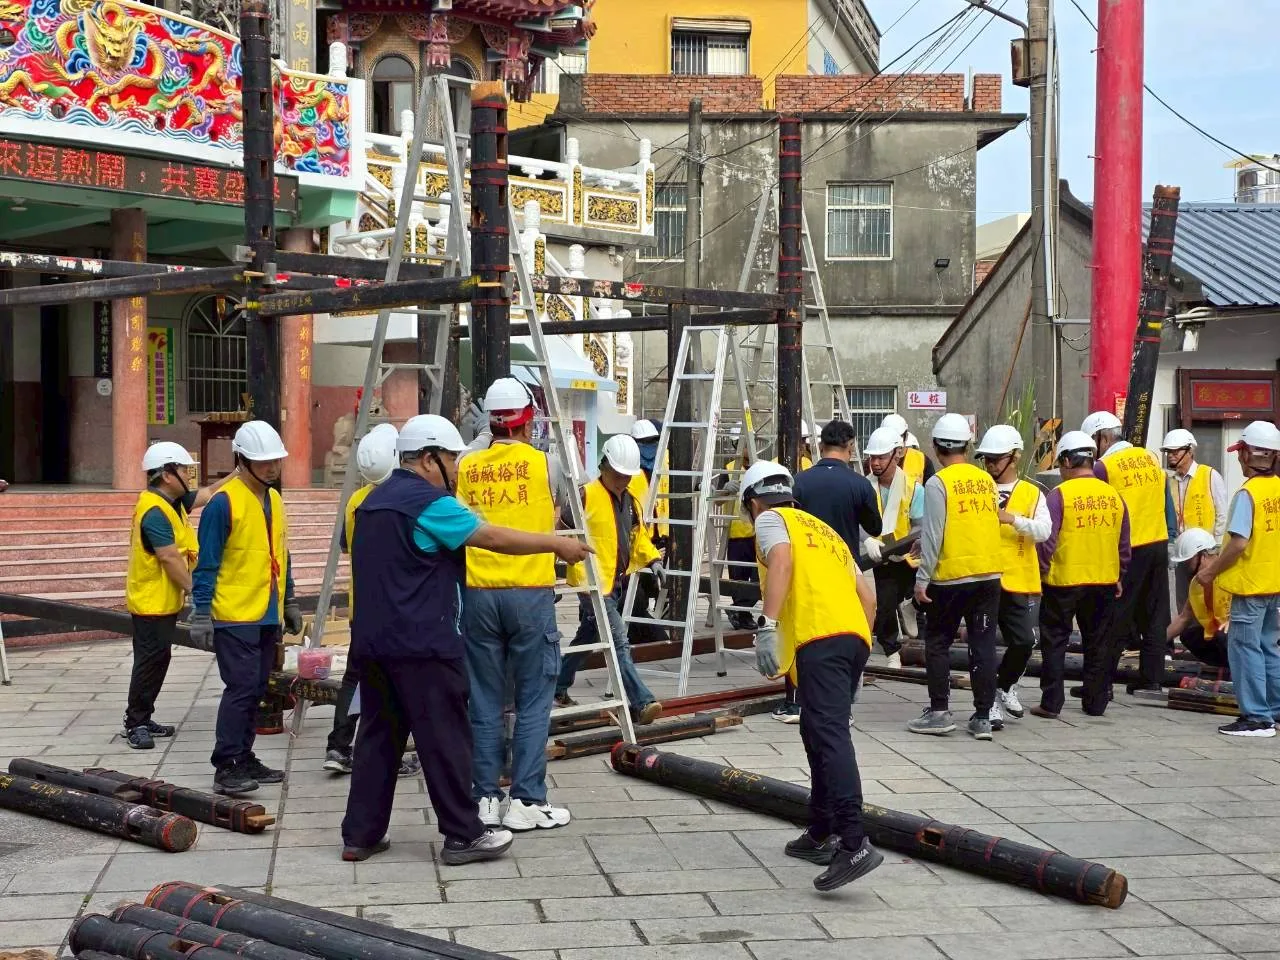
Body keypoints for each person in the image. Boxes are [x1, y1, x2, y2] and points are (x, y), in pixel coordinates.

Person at [340, 415, 594, 863]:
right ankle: (463, 834)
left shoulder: (372, 502)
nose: (457, 468)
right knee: (446, 740)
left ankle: (360, 836)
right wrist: (556, 545)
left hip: (373, 644)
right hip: (423, 644)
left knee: (377, 739)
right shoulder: (429, 503)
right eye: (451, 458)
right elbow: (490, 537)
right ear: (427, 459)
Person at [741, 460, 883, 892]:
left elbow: (781, 561)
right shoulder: (826, 532)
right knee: (816, 729)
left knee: (830, 734)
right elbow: (868, 598)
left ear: (753, 502)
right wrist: (859, 652)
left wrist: (766, 625)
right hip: (852, 636)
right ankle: (821, 830)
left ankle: (853, 841)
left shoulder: (771, 520)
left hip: (821, 638)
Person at [456, 377, 572, 832]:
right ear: (529, 420)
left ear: (490, 421)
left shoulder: (466, 465)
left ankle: (484, 797)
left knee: (484, 701)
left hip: (479, 594)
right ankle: (527, 799)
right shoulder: (547, 464)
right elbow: (566, 506)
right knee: (533, 700)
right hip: (530, 592)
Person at [189, 421, 301, 796]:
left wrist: (289, 600)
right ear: (241, 460)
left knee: (257, 688)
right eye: (263, 461)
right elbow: (206, 564)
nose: (272, 468)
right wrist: (201, 612)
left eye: (276, 461)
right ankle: (226, 766)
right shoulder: (223, 503)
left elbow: (281, 553)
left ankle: (244, 755)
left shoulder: (274, 500)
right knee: (240, 688)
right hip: (233, 613)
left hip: (267, 611)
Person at [123, 442, 233, 750]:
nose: (188, 474)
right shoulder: (155, 512)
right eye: (184, 470)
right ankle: (135, 723)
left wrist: (239, 473)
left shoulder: (173, 502)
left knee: (159, 658)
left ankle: (144, 717)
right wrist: (197, 594)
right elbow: (169, 558)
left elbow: (208, 493)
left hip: (163, 601)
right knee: (149, 661)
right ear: (167, 474)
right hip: (150, 603)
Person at [324, 424, 418, 779]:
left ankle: (338, 745)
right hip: (397, 607)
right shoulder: (404, 499)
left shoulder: (355, 501)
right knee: (395, 681)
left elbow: (346, 546)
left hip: (361, 606)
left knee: (355, 676)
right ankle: (386, 754)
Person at [555, 435, 665, 724]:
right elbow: (561, 532)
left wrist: (653, 559)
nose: (622, 481)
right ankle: (642, 701)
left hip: (614, 581)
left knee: (589, 635)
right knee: (618, 640)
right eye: (617, 475)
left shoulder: (630, 502)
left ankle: (557, 684)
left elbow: (637, 537)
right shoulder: (585, 496)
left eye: (627, 476)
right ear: (604, 466)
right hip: (591, 584)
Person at [908, 414, 1003, 740]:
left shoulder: (938, 483)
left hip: (950, 578)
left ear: (936, 447)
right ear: (968, 446)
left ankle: (939, 712)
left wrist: (922, 580)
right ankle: (983, 717)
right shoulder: (986, 481)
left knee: (937, 642)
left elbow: (934, 534)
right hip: (988, 575)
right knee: (983, 645)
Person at [1191, 420, 1280, 737]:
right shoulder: (1277, 488)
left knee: (1245, 650)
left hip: (1249, 586)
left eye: (1240, 452)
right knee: (1269, 648)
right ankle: (1275, 711)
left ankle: (1256, 718)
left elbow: (1239, 543)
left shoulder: (1248, 494)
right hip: (1273, 584)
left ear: (1248, 455)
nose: (1239, 458)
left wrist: (1210, 571)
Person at [1032, 432, 1130, 719]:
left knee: (1055, 641)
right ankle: (1096, 702)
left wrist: (1041, 571)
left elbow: (1047, 541)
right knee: (1098, 642)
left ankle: (1051, 703)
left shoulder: (1059, 495)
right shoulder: (1114, 496)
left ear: (1066, 461)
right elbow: (1124, 543)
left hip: (1064, 580)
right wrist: (1120, 575)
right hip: (1104, 580)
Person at [793, 419, 882, 722]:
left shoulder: (800, 481)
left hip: (808, 569)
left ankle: (802, 701)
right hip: (846, 570)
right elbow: (874, 526)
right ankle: (844, 700)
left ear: (820, 446)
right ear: (850, 446)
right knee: (845, 632)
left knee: (809, 632)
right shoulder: (859, 484)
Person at [1083, 410, 1176, 695]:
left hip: (1129, 548)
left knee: (1115, 616)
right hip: (1158, 543)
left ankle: (1101, 684)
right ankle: (1152, 679)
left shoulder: (1104, 467)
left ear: (1101, 438)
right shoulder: (1150, 458)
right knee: (1155, 615)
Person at [973, 425, 1050, 729]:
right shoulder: (978, 488)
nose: (990, 465)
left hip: (1018, 578)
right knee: (983, 644)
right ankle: (988, 702)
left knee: (1024, 641)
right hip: (983, 576)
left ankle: (1005, 685)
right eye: (986, 460)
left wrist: (1013, 519)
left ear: (1015, 457)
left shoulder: (1032, 493)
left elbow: (1044, 531)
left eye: (996, 459)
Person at [862, 426, 924, 671]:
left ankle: (912, 610)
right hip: (881, 556)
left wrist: (909, 542)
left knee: (923, 596)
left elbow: (920, 524)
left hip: (909, 555)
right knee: (886, 604)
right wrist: (868, 540)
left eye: (881, 457)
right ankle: (892, 651)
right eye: (872, 458)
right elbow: (857, 522)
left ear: (896, 454)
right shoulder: (864, 487)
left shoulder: (913, 488)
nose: (875, 463)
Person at [1162, 428, 1228, 612]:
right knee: (1183, 603)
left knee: (1207, 602)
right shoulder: (1168, 480)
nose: (1171, 455)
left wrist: (1216, 549)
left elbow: (1222, 514)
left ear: (1190, 451)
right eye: (1168, 452)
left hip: (1205, 553)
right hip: (1181, 552)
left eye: (1176, 451)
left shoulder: (1210, 475)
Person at [626, 419, 667, 644]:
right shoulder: (629, 474)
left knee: (652, 588)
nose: (649, 448)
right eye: (644, 443)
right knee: (636, 592)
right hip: (636, 541)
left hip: (659, 538)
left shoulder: (663, 467)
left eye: (652, 442)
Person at [1166, 528, 1230, 670]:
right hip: (1221, 632)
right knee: (1189, 636)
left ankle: (1242, 670)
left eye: (1188, 562)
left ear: (1204, 555)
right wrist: (1156, 644)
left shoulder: (1229, 572)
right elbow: (1184, 618)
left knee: (1222, 634)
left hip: (1239, 631)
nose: (1186, 569)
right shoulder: (1198, 584)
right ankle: (1226, 666)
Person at [721, 434, 761, 632]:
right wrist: (725, 490)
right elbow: (717, 500)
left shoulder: (759, 469)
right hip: (736, 534)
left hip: (757, 534)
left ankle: (739, 610)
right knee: (738, 580)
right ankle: (742, 615)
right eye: (744, 445)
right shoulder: (728, 469)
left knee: (760, 577)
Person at [880, 413, 935, 487]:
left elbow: (930, 490)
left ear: (906, 436)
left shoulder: (922, 460)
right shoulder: (873, 462)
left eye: (898, 437)